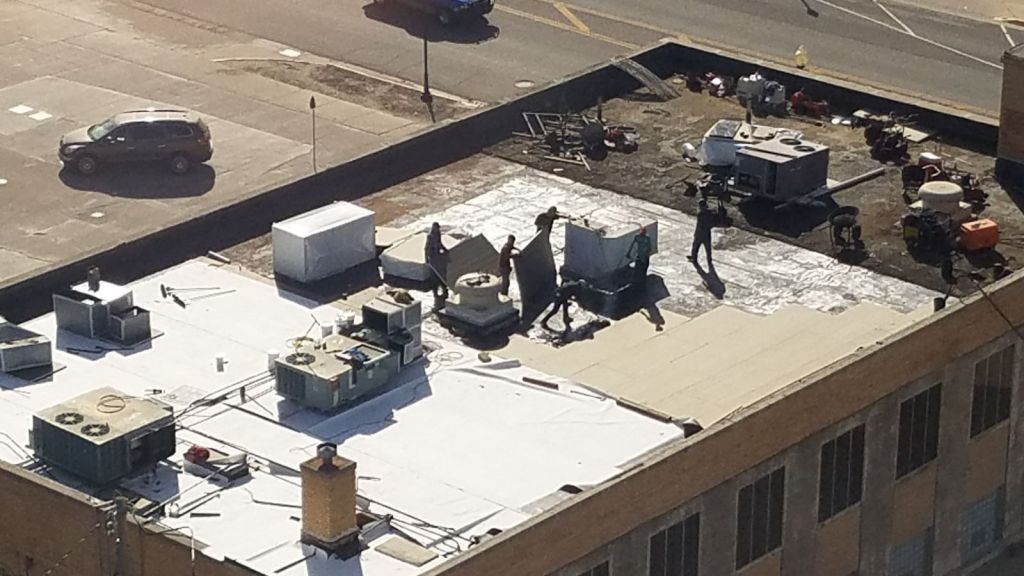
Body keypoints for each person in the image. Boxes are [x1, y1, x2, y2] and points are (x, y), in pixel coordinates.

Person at [425, 222, 449, 303]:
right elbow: (426, 248)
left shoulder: (438, 233)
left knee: (442, 273)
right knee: (434, 276)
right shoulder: (430, 236)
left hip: (438, 255)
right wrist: (426, 259)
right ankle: (435, 293)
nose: (438, 229)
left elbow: (439, 243)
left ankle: (444, 290)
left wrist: (445, 250)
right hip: (432, 256)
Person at [689, 200, 715, 269]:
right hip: (704, 234)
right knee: (701, 248)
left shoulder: (702, 214)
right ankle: (707, 260)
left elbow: (700, 225)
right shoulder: (707, 213)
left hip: (701, 234)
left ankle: (695, 258)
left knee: (699, 247)